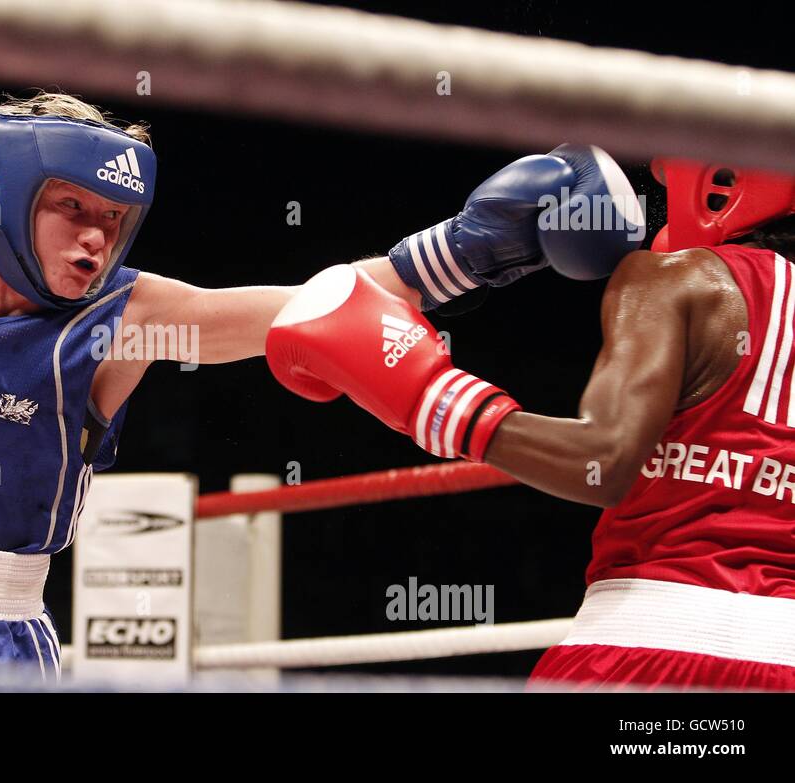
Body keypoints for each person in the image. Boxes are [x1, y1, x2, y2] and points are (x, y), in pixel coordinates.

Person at [0, 90, 627, 677]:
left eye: (116, 218)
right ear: (2, 196)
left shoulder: (124, 322)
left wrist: (468, 250)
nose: (97, 238)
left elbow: (301, 308)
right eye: (72, 209)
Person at [267, 157, 795, 690]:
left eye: (668, 173)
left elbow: (601, 463)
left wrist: (432, 398)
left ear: (722, 180)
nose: (658, 185)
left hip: (645, 641)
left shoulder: (672, 277)